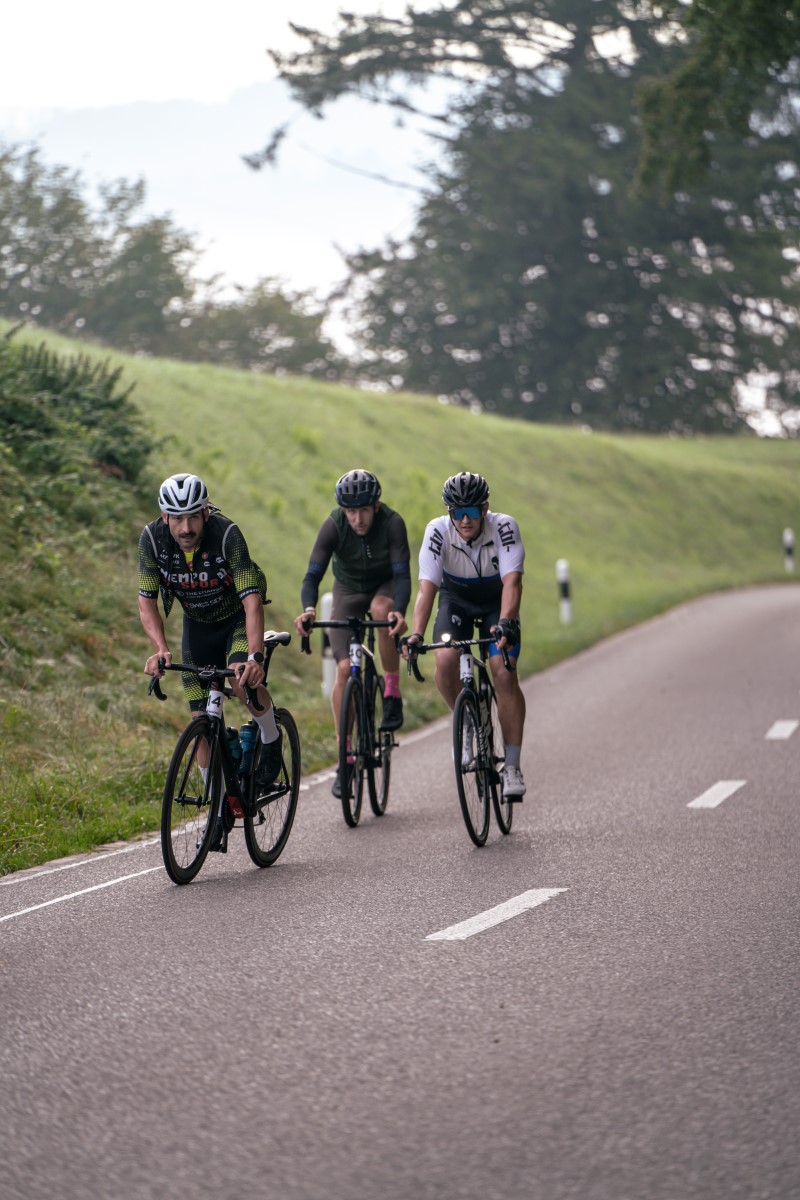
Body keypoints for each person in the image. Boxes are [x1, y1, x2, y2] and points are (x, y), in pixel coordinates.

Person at [138, 473, 283, 844]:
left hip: (235, 619)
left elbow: (252, 600)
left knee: (240, 680)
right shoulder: (152, 541)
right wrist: (160, 649)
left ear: (205, 512)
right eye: (177, 518)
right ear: (165, 517)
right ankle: (218, 806)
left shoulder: (227, 534)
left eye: (193, 517)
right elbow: (147, 600)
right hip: (197, 627)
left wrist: (254, 656)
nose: (186, 528)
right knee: (200, 719)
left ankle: (270, 737)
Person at [402, 471, 527, 797]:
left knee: (502, 674)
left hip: (495, 604)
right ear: (449, 513)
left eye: (472, 512)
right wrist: (416, 633)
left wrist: (507, 622)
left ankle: (511, 766)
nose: (465, 520)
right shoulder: (437, 532)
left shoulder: (504, 526)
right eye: (457, 513)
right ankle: (469, 720)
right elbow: (426, 589)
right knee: (444, 660)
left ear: (485, 508)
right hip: (455, 599)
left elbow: (513, 582)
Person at [294, 469, 410, 797]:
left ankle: (391, 693)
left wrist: (398, 612)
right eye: (350, 512)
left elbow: (402, 576)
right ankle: (344, 760)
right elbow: (312, 574)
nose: (357, 519)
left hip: (383, 586)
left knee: (380, 612)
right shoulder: (334, 525)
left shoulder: (392, 523)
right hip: (347, 590)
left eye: (363, 511)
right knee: (344, 669)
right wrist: (309, 609)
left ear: (376, 505)